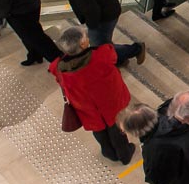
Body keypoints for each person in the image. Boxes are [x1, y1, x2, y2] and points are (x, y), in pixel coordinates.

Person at [50, 25, 135, 165]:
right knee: (116, 126)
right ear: (83, 44)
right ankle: (124, 153)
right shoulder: (102, 55)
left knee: (97, 128)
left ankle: (108, 152)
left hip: (84, 106)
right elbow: (113, 57)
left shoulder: (57, 67)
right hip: (110, 102)